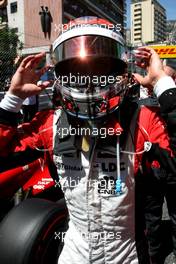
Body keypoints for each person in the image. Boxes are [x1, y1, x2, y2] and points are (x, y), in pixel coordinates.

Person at [0, 17, 176, 264]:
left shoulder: (143, 121)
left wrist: (163, 84)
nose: (89, 80)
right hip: (75, 255)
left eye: (100, 67)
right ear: (62, 73)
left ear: (119, 70)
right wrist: (12, 100)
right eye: (78, 70)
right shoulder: (50, 123)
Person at [135, 62, 176, 264]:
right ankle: (154, 257)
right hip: (152, 174)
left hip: (172, 171)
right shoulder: (141, 111)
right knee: (151, 219)